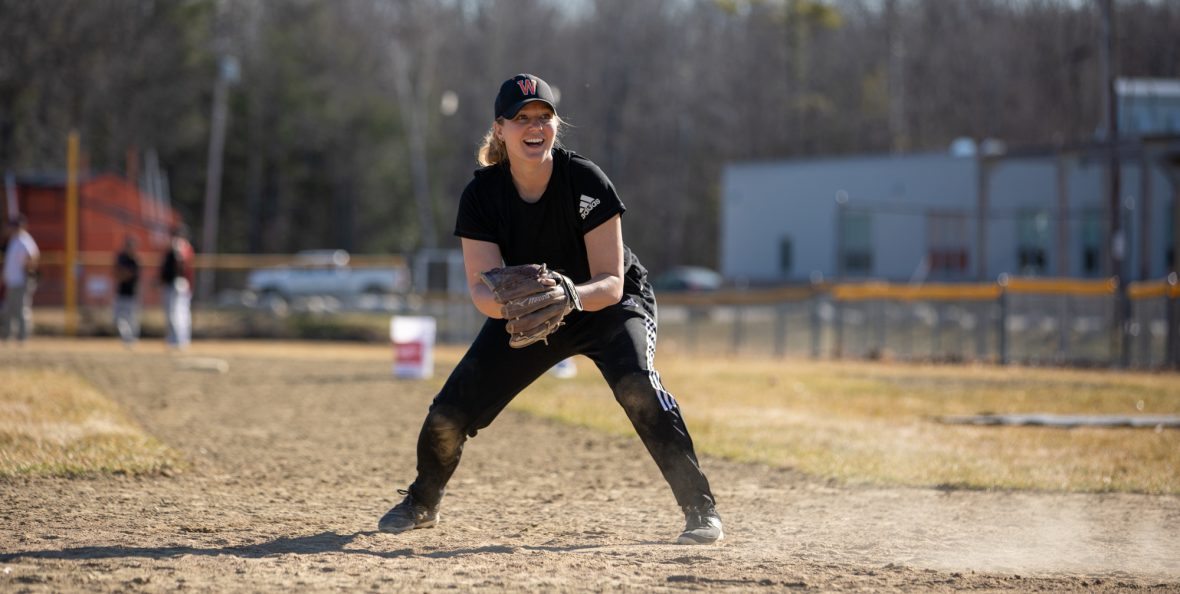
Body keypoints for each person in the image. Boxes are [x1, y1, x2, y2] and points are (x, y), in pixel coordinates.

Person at [377, 74, 723, 545]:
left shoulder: (585, 180)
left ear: (556, 124)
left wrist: (571, 295)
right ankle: (422, 501)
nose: (535, 126)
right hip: (531, 314)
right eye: (522, 119)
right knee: (448, 414)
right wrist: (514, 309)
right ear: (500, 129)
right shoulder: (481, 197)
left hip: (606, 304)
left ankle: (699, 510)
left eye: (544, 116)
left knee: (638, 387)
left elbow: (611, 280)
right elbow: (481, 291)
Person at [1, 214, 40, 343]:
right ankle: (6, 336)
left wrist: (28, 271)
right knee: (8, 309)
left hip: (21, 281)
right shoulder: (13, 240)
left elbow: (33, 256)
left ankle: (23, 337)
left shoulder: (24, 240)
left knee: (21, 309)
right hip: (12, 281)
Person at [159, 225, 193, 349]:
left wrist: (176, 249)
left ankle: (179, 340)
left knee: (177, 313)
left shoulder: (182, 246)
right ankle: (175, 340)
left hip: (178, 283)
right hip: (176, 283)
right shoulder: (173, 248)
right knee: (175, 313)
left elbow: (181, 265)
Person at [113, 235, 141, 346]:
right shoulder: (121, 258)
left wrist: (123, 274)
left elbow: (129, 275)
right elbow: (116, 273)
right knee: (117, 318)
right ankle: (127, 338)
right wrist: (122, 274)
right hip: (121, 292)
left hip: (132, 293)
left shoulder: (135, 260)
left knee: (131, 318)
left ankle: (132, 340)